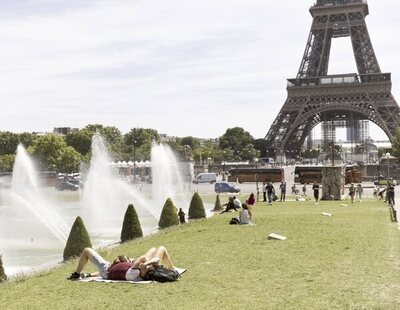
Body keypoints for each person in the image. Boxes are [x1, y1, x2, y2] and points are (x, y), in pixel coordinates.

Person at [67, 246, 176, 281]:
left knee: (87, 250)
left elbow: (142, 258)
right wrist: (148, 263)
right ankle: (172, 267)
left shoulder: (134, 272)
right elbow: (156, 258)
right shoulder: (141, 271)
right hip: (112, 269)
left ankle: (76, 273)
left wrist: (145, 262)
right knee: (154, 249)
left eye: (145, 267)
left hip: (106, 270)